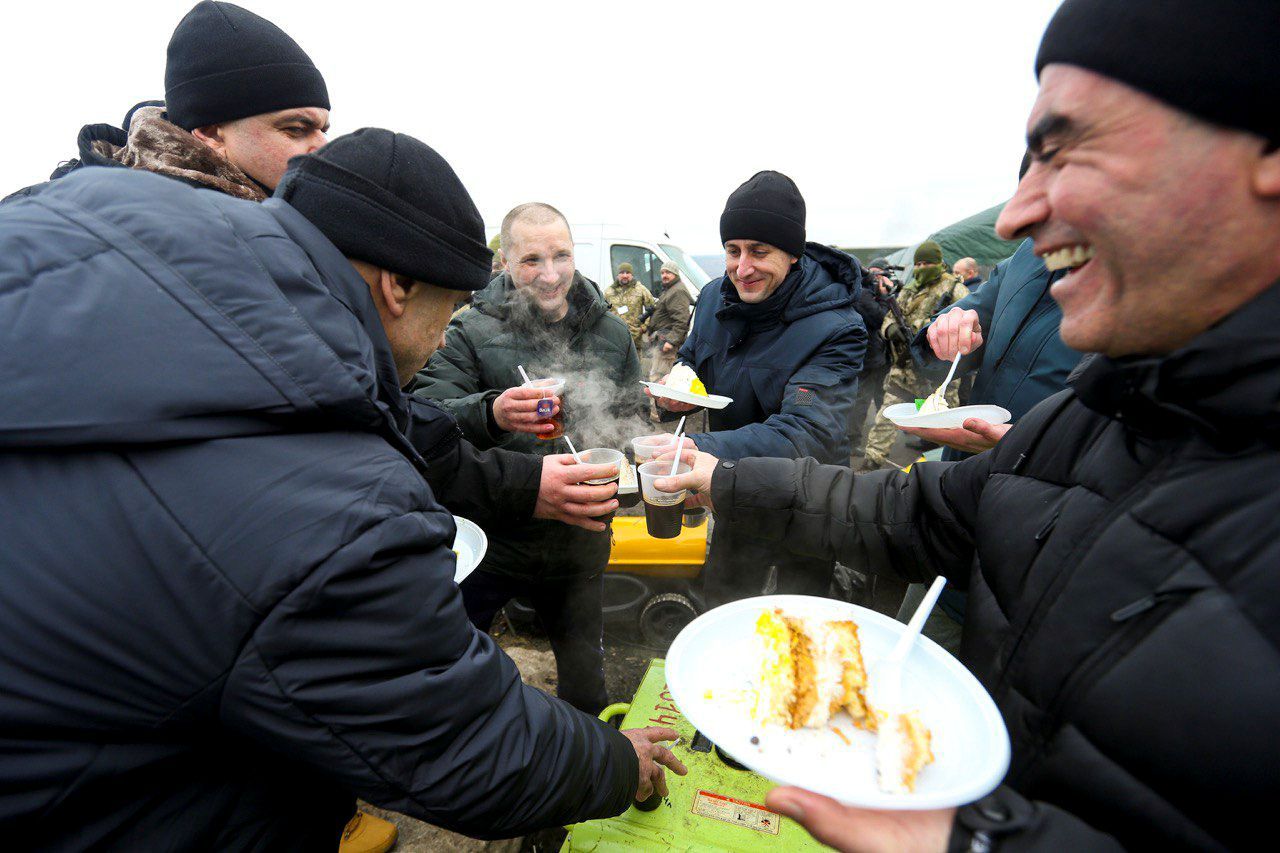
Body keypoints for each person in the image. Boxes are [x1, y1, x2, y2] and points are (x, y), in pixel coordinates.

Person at [659, 0, 1280, 847]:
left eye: (1065, 150)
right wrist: (721, 473)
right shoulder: (1087, 419)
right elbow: (907, 511)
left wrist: (978, 841)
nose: (1018, 216)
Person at [0, 129, 685, 850]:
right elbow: (458, 736)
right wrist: (611, 761)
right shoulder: (332, 492)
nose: (447, 328)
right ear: (399, 285)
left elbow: (398, 420)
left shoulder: (133, 241)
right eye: (449, 308)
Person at [412, 202, 644, 715]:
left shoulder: (611, 333)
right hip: (493, 541)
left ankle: (591, 775)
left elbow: (630, 419)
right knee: (457, 670)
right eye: (532, 260)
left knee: (586, 681)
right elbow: (423, 419)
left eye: (561, 255)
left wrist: (633, 458)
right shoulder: (467, 330)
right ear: (506, 263)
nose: (550, 274)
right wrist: (491, 411)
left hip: (578, 544)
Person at [650, 170, 866, 606]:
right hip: (732, 487)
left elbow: (808, 432)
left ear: (792, 254)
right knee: (725, 598)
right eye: (732, 251)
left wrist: (695, 445)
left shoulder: (838, 327)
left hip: (808, 496)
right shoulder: (713, 297)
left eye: (759, 251)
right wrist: (679, 390)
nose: (741, 269)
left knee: (794, 621)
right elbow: (693, 357)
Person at [5, 1, 330, 204]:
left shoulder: (315, 226)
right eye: (296, 129)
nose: (323, 145)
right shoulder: (60, 218)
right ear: (212, 133)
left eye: (323, 129)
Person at [859, 240, 969, 471]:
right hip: (905, 368)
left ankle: (952, 466)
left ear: (939, 263)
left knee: (946, 421)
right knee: (886, 415)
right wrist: (891, 330)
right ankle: (872, 460)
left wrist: (922, 328)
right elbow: (889, 316)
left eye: (926, 263)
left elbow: (965, 321)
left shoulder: (954, 289)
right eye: (917, 263)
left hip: (939, 371)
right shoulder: (910, 288)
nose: (921, 268)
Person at [848, 258, 896, 457]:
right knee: (861, 401)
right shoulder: (863, 294)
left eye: (880, 274)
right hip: (867, 358)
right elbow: (881, 319)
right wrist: (886, 296)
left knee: (880, 398)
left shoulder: (869, 293)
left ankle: (879, 439)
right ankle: (852, 442)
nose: (877, 279)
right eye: (873, 274)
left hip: (879, 357)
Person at [646, 260, 693, 419]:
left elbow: (682, 320)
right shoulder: (671, 289)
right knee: (660, 377)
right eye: (663, 272)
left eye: (668, 272)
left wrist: (671, 341)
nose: (664, 275)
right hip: (661, 339)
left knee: (659, 379)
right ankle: (662, 412)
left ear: (675, 274)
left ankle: (659, 414)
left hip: (666, 343)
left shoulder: (677, 291)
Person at [605, 261, 657, 367]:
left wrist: (644, 326)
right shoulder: (609, 291)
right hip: (614, 336)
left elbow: (652, 308)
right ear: (618, 275)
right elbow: (603, 311)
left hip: (634, 336)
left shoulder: (640, 289)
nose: (625, 275)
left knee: (634, 366)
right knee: (615, 365)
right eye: (622, 272)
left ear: (631, 275)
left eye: (627, 273)